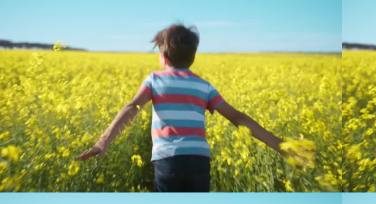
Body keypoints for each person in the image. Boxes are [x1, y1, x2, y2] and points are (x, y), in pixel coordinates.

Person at [76, 24, 287, 192]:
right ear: (192, 58)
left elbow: (132, 107)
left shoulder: (154, 80)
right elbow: (238, 118)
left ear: (164, 56)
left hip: (168, 160)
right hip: (199, 160)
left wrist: (103, 142)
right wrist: (280, 145)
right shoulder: (204, 86)